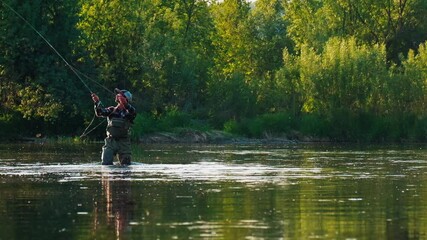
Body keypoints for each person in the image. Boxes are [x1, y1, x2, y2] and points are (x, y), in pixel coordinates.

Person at [91, 89, 136, 165]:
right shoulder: (111, 110)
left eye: (120, 95)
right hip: (111, 142)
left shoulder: (129, 112)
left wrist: (125, 104)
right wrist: (97, 102)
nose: (118, 96)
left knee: (126, 166)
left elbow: (133, 112)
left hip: (124, 142)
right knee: (106, 164)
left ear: (126, 99)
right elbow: (100, 112)